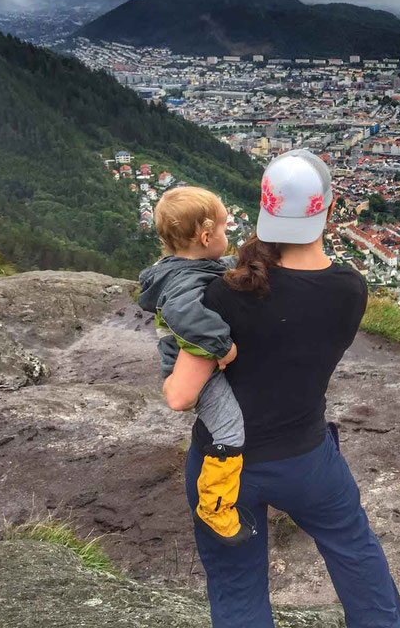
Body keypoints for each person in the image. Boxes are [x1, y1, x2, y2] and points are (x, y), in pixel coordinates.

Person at [163, 150, 400, 628]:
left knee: (236, 585)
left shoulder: (220, 295)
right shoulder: (349, 290)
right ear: (329, 208)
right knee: (354, 552)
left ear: (265, 209)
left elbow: (181, 396)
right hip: (306, 458)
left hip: (224, 467)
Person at [138, 186, 253, 546]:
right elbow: (181, 312)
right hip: (195, 376)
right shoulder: (185, 282)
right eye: (223, 229)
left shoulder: (183, 267)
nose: (227, 235)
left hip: (187, 364)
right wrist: (223, 345)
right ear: (205, 236)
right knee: (231, 430)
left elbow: (217, 269)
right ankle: (215, 506)